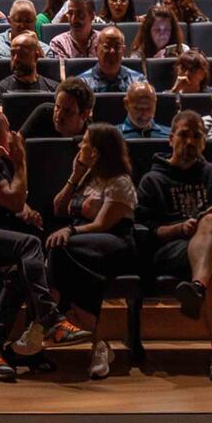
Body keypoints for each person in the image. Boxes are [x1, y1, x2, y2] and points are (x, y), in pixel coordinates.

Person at [0, 110, 90, 382]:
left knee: (18, 273)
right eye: (8, 128)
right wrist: (21, 164)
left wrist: (26, 211)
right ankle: (51, 320)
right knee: (29, 244)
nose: (13, 134)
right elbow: (12, 198)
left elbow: (11, 203)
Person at [135, 111, 212, 384]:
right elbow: (146, 231)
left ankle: (196, 288)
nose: (190, 141)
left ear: (204, 142)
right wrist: (179, 228)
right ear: (170, 139)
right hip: (174, 249)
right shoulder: (153, 180)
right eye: (184, 134)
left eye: (197, 136)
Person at [46, 125, 138, 379]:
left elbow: (103, 225)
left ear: (96, 152)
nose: (79, 147)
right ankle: (99, 342)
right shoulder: (88, 177)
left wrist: (70, 232)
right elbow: (58, 208)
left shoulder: (120, 181)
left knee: (62, 246)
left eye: (84, 143)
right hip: (85, 246)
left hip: (115, 242)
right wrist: (74, 177)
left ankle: (53, 315)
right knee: (61, 250)